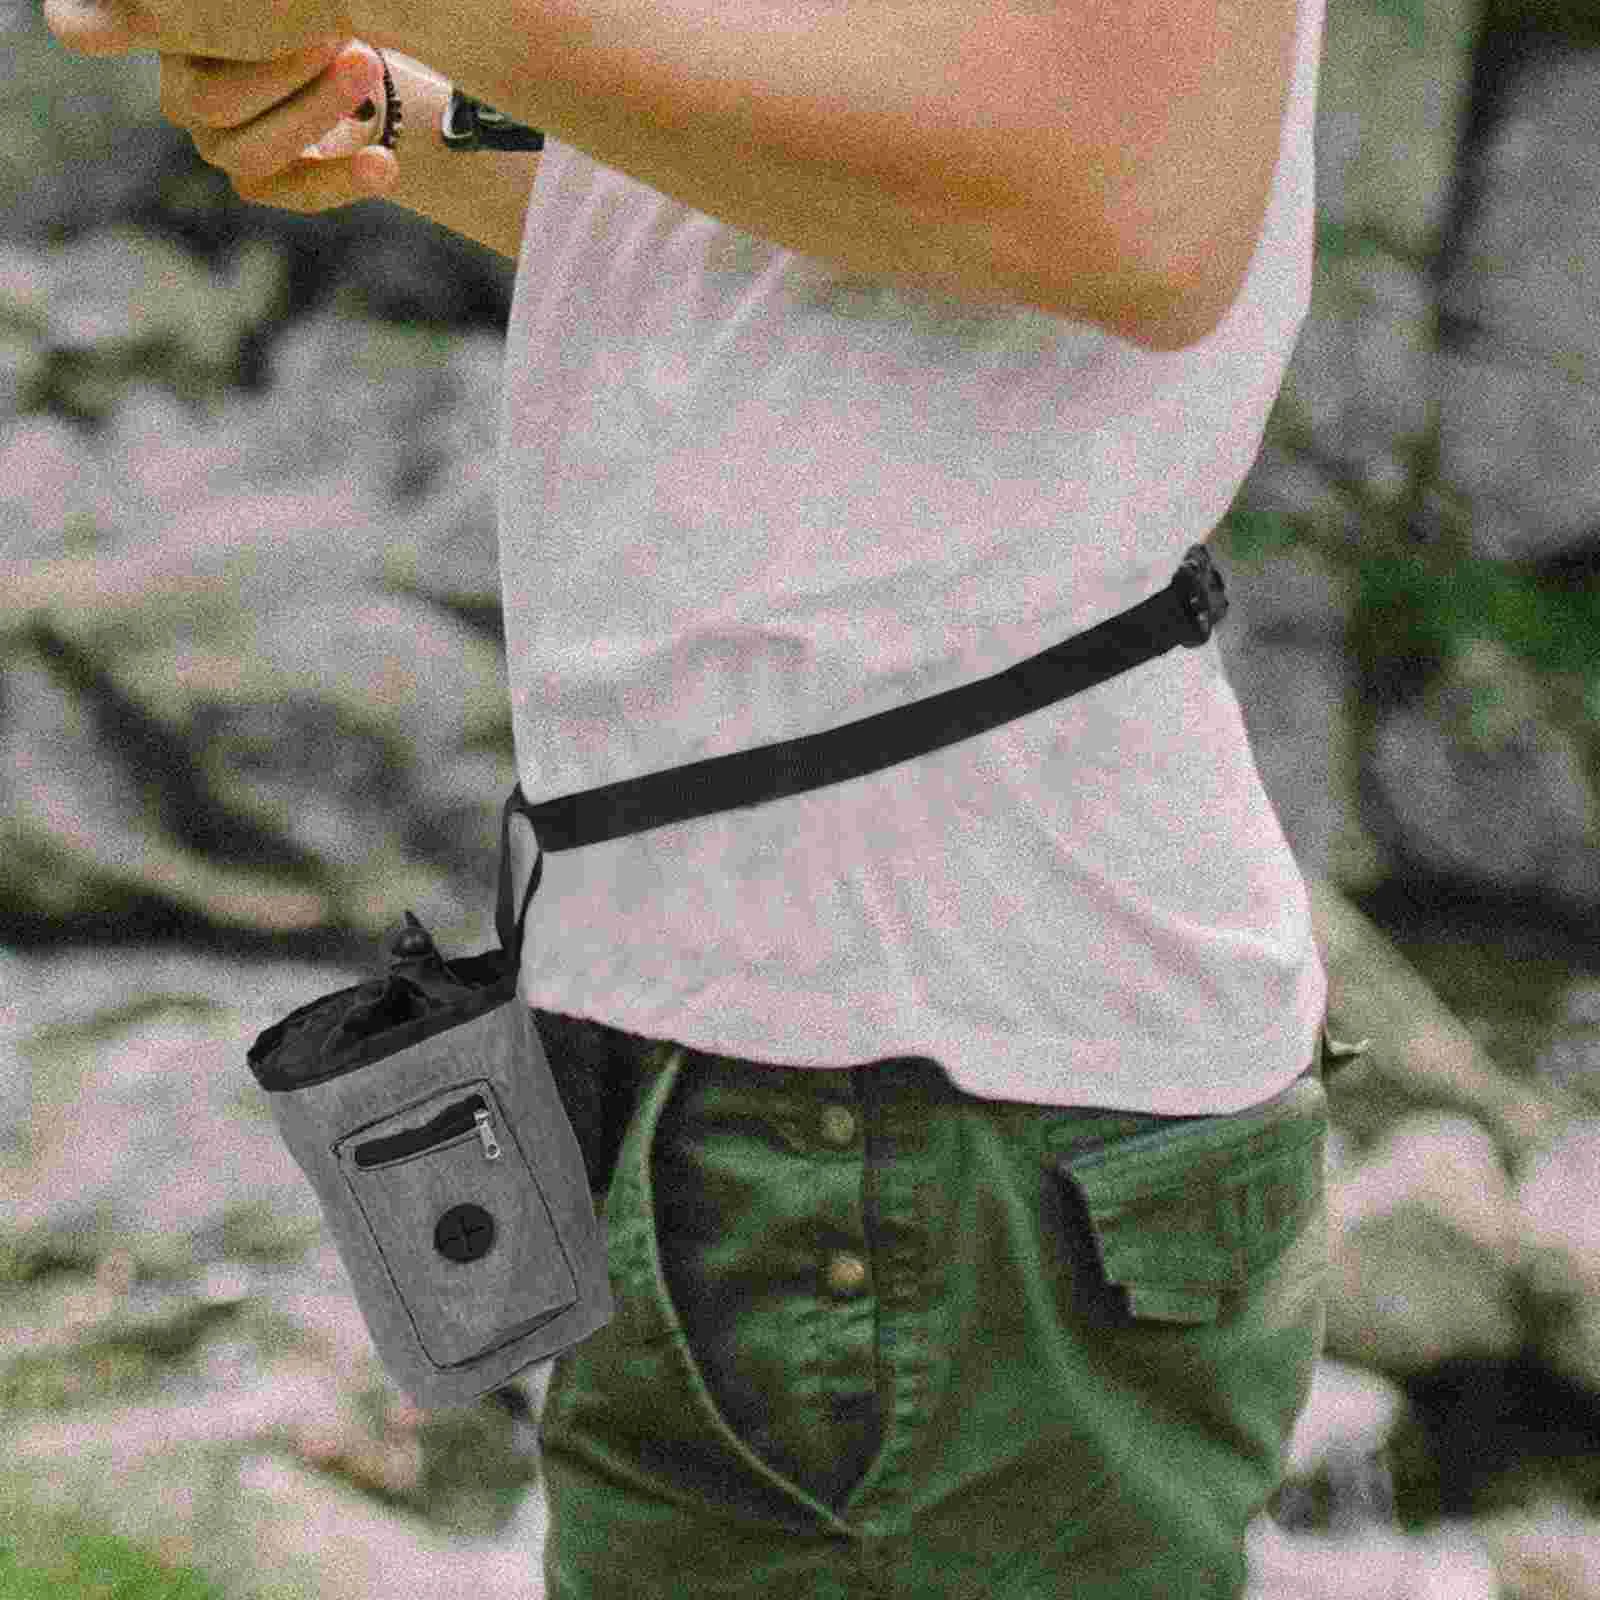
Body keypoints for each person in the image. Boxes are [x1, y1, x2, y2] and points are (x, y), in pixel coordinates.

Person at [50, 1, 1350, 1593]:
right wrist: (405, 111)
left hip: (913, 1084)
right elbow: (772, 213)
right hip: (782, 1063)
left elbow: (1133, 202)